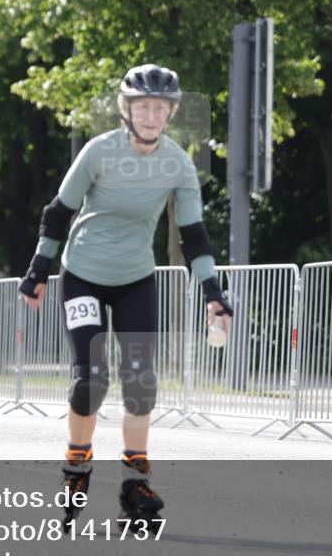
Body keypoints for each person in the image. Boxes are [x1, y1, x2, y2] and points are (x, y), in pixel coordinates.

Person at [18, 64, 233, 528]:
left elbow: (194, 237)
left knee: (140, 382)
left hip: (136, 278)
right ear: (126, 109)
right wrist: (38, 270)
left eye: (160, 107)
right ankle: (77, 465)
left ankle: (135, 483)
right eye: (143, 106)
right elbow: (58, 214)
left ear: (171, 112)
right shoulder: (99, 152)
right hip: (83, 276)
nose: (152, 115)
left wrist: (214, 293)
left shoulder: (177, 163)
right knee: (90, 380)